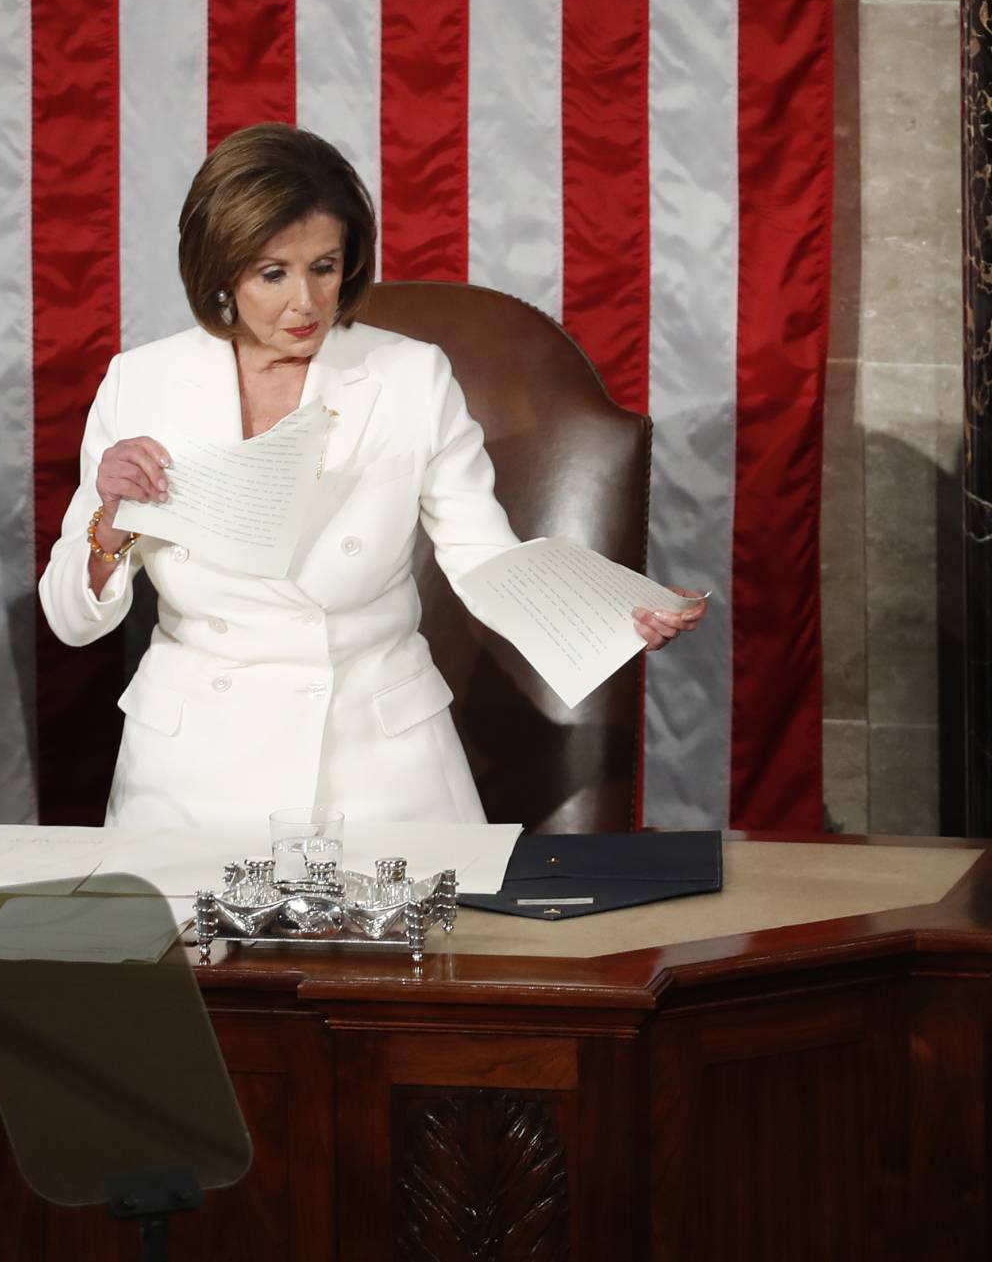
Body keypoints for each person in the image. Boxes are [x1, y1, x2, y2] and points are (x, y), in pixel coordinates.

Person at [38, 123, 705, 830]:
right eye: (274, 273)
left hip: (379, 766)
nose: (306, 302)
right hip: (190, 771)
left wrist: (609, 614)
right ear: (221, 271)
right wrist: (111, 524)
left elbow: (485, 556)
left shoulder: (411, 375)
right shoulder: (141, 382)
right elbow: (70, 619)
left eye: (324, 267)